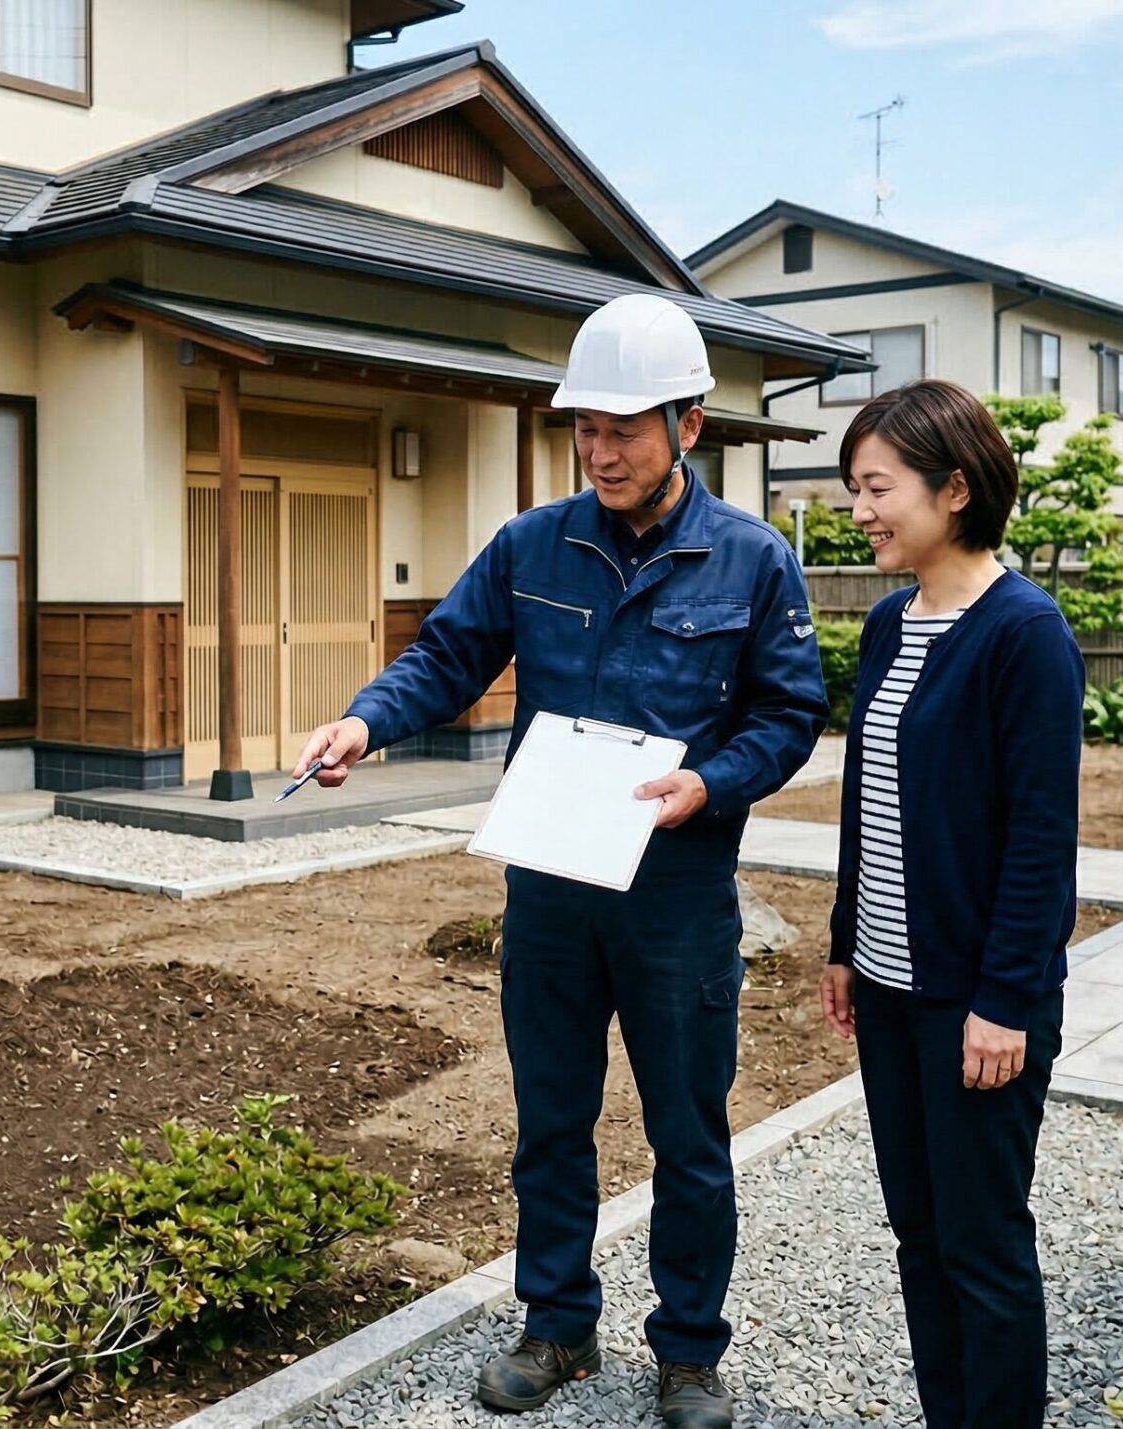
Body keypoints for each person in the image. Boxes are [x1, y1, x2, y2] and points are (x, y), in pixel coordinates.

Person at [292, 293, 827, 1429]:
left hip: (677, 892)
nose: (600, 448)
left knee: (688, 1129)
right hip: (547, 886)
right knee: (549, 1114)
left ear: (687, 424)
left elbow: (788, 717)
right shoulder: (535, 543)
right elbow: (444, 655)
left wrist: (709, 784)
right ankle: (556, 1325)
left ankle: (687, 1351)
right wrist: (363, 723)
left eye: (625, 427)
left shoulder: (751, 560)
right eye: (585, 425)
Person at [815, 378, 1081, 1427]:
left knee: (981, 1245)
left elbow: (1038, 841)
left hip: (975, 1001)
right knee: (918, 1235)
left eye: (876, 486)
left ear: (955, 488)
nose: (859, 510)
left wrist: (1005, 1000)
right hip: (886, 988)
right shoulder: (888, 626)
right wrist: (844, 943)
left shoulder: (1024, 633)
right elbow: (869, 800)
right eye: (853, 488)